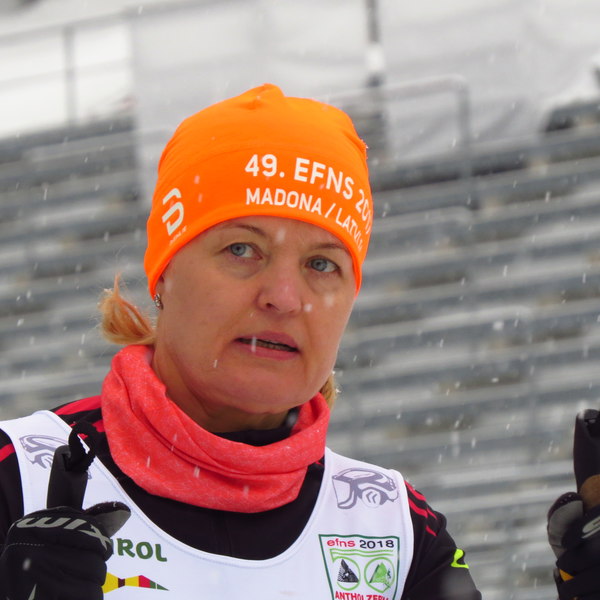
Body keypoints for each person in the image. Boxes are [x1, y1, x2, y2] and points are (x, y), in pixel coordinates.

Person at [0, 83, 483, 599]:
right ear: (164, 273)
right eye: (241, 250)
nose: (284, 297)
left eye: (322, 264)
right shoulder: (19, 478)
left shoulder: (397, 531)